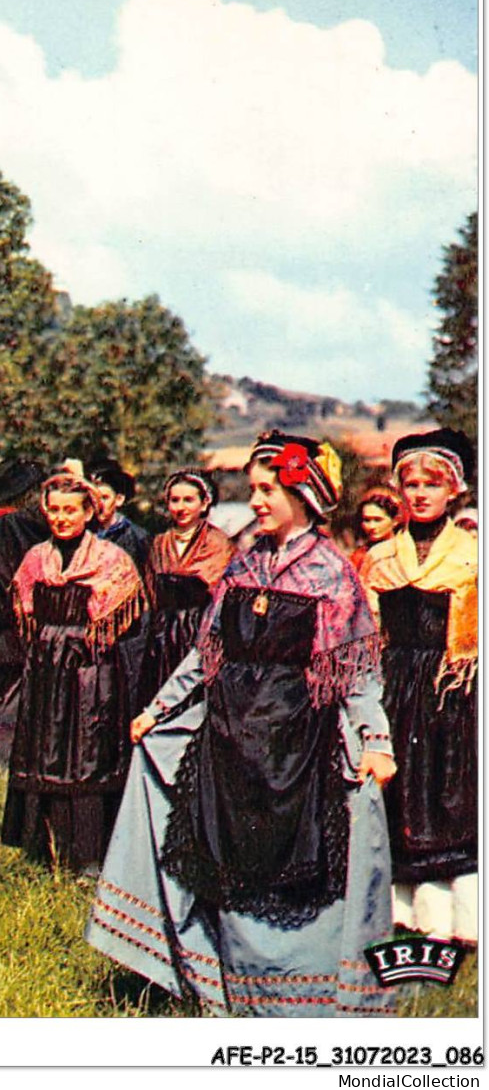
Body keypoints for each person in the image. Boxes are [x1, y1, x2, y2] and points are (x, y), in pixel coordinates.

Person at [88, 431, 396, 1016]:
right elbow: (206, 655)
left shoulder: (332, 573)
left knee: (291, 877)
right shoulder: (244, 562)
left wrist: (375, 741)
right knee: (227, 864)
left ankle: (294, 1003)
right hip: (229, 740)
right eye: (253, 490)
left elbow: (356, 672)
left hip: (296, 748)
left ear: (304, 494)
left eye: (268, 490)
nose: (256, 501)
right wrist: (156, 710)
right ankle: (222, 987)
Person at [362, 428, 477, 944]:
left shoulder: (472, 554)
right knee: (400, 797)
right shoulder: (382, 557)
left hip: (453, 691)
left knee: (448, 795)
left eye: (433, 484)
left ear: (455, 490)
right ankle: (398, 911)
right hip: (394, 687)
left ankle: (457, 917)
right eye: (411, 484)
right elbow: (366, 633)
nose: (421, 494)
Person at [3, 471, 145, 875]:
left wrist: (86, 644)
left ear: (88, 512)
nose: (61, 518)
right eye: (55, 510)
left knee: (87, 753)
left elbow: (128, 623)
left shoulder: (111, 560)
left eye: (71, 510)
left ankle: (88, 858)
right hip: (46, 667)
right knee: (44, 748)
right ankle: (43, 852)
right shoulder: (35, 558)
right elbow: (22, 611)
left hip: (90, 670)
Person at [0, 457, 49, 769]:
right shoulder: (10, 524)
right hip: (11, 624)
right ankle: (0, 760)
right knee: (11, 693)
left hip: (2, 623)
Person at [140, 469, 234, 705]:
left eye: (188, 500)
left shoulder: (217, 543)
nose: (180, 507)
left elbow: (218, 592)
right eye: (175, 500)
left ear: (204, 504)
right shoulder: (159, 543)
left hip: (198, 631)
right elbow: (151, 591)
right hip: (162, 637)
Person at [88, 456, 152, 572]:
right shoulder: (83, 532)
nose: (98, 504)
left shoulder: (137, 537)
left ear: (119, 499)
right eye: (92, 498)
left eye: (104, 498)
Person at [350, 486, 407, 574]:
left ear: (395, 521)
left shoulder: (405, 552)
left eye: (378, 520)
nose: (371, 526)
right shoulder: (358, 557)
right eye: (367, 520)